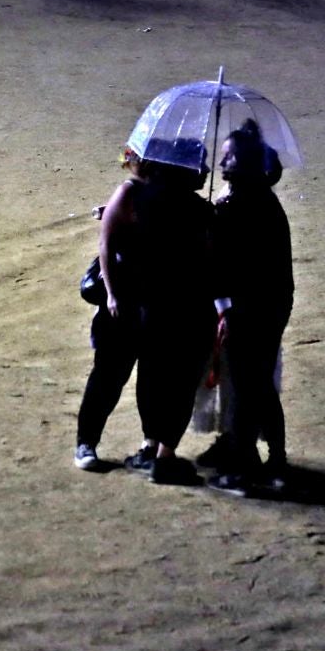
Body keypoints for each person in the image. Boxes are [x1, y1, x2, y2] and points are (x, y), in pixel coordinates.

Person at [82, 140, 215, 485]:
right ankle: (108, 446)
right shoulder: (165, 202)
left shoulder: (165, 202)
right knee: (122, 377)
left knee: (150, 379)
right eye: (199, 165)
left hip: (150, 308)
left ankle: (150, 448)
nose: (205, 171)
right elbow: (108, 244)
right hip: (145, 308)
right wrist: (113, 295)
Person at [206, 121, 295, 494]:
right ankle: (276, 460)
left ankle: (242, 469)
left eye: (228, 156)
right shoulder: (263, 200)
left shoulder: (235, 207)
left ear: (244, 162)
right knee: (259, 383)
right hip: (272, 304)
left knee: (246, 386)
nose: (221, 162)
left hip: (249, 309)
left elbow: (219, 268)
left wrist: (226, 310)